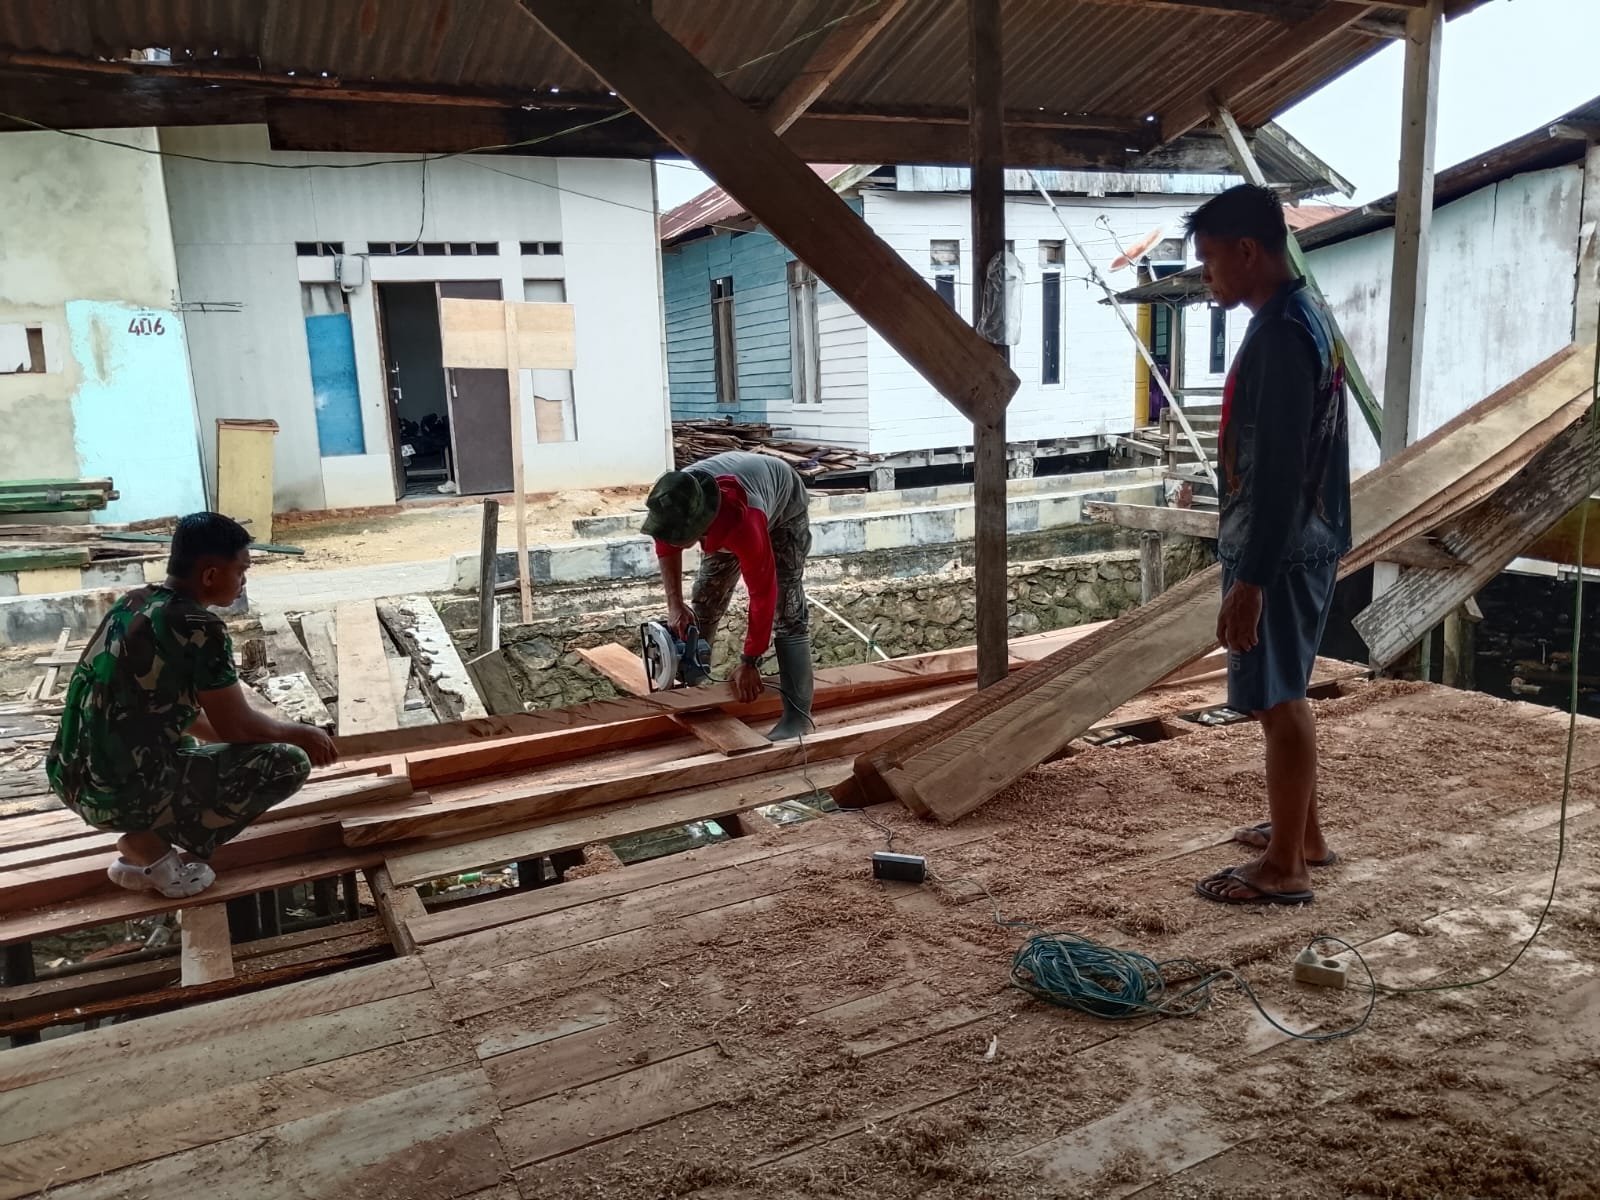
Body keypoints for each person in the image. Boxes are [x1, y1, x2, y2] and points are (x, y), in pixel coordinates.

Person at [1185, 184, 1352, 907]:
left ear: (1247, 251)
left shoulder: (1283, 335)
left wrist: (1251, 581)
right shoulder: (1303, 312)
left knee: (1279, 702)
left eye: (1211, 259)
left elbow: (1281, 468)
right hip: (1301, 538)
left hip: (1279, 548)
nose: (1207, 275)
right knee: (1280, 693)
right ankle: (1302, 835)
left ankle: (1286, 867)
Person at [46, 512, 338, 899]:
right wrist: (301, 734)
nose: (244, 580)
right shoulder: (199, 627)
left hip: (69, 778)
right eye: (241, 570)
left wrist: (248, 737)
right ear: (210, 574)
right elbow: (237, 726)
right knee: (287, 763)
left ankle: (145, 836)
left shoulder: (134, 603)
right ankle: (149, 847)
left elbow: (176, 711)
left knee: (191, 743)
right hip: (112, 797)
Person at [641, 451, 813, 740]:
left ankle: (797, 717)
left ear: (698, 526)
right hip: (727, 506)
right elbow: (666, 547)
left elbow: (764, 594)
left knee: (787, 607)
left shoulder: (744, 524)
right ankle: (696, 687)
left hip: (784, 504)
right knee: (706, 597)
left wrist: (750, 661)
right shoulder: (672, 502)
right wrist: (675, 605)